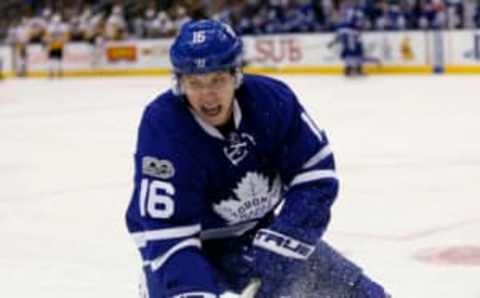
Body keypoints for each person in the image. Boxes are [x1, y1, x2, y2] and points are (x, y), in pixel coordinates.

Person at [125, 19, 390, 298]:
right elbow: (168, 232)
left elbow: (316, 176)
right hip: (185, 248)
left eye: (218, 79)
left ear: (236, 75)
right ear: (179, 83)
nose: (207, 94)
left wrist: (279, 252)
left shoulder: (271, 102)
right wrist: (193, 289)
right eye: (195, 82)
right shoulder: (165, 127)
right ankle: (156, 283)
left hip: (255, 236)